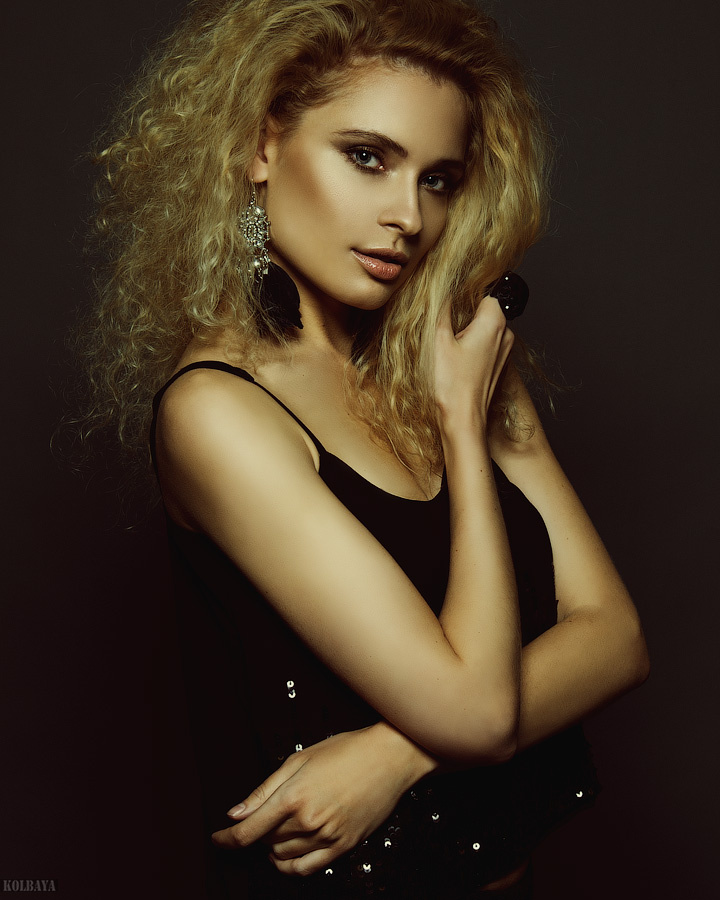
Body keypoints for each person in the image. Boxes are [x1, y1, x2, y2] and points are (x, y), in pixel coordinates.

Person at [80, 0, 649, 896]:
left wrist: (391, 755)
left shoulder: (454, 358)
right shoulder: (219, 412)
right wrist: (461, 425)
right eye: (368, 157)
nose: (408, 216)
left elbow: (615, 638)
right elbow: (478, 716)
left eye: (439, 179)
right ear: (262, 148)